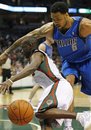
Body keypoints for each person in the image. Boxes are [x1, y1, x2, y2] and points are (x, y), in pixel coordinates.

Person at [0, 1, 91, 129]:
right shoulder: (51, 28)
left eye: (58, 19)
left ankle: (82, 117)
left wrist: (10, 80)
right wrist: (6, 52)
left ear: (67, 15)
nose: (56, 22)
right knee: (69, 84)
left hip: (87, 59)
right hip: (69, 61)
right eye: (53, 19)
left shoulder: (84, 25)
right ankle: (69, 126)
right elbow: (28, 36)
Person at [0, 39, 91, 130]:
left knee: (41, 112)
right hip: (54, 90)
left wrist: (11, 80)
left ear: (31, 46)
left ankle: (82, 116)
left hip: (59, 86)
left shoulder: (37, 54)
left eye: (24, 48)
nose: (22, 51)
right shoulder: (33, 59)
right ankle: (72, 123)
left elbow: (32, 68)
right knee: (45, 122)